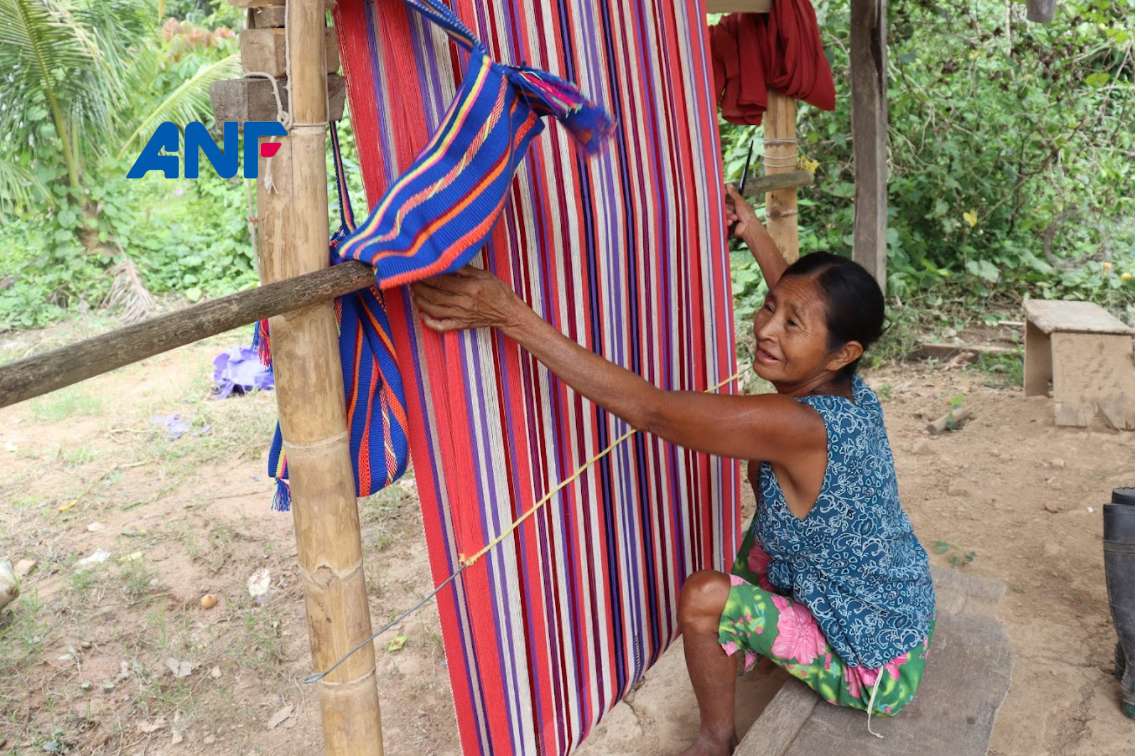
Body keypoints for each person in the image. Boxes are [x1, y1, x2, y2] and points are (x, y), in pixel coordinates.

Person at [409, 184, 936, 756]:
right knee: (763, 526)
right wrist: (752, 231)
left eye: (791, 325)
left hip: (873, 663)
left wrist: (510, 316)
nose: (765, 329)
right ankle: (761, 647)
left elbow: (653, 411)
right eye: (768, 307)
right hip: (898, 609)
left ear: (842, 353)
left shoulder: (797, 425)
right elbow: (800, 300)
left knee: (705, 596)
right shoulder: (849, 391)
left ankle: (715, 741)